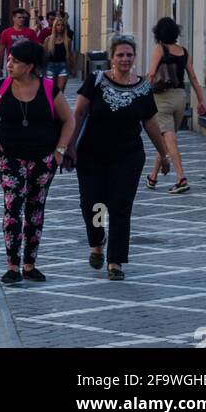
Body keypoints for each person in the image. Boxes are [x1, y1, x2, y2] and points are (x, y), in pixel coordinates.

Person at [68, 33, 170, 279]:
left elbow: (151, 124)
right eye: (120, 55)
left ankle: (115, 261)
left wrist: (164, 154)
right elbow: (79, 113)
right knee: (92, 203)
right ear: (112, 57)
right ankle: (97, 240)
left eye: (129, 55)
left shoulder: (143, 88)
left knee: (120, 206)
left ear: (135, 57)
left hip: (128, 156)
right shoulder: (96, 81)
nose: (125, 59)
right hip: (91, 154)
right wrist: (68, 146)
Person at [0, 39, 74, 284]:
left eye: (15, 61)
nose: (9, 64)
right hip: (10, 158)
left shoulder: (49, 90)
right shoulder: (1, 88)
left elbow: (69, 120)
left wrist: (60, 150)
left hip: (43, 158)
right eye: (9, 59)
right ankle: (11, 265)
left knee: (35, 210)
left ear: (29, 66)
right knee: (12, 208)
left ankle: (30, 264)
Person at [145, 17, 206, 194]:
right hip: (180, 97)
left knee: (169, 138)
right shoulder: (184, 51)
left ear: (158, 33)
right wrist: (201, 100)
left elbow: (150, 74)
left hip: (161, 98)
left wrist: (141, 95)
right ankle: (153, 177)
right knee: (166, 138)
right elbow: (193, 77)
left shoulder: (160, 49)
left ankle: (181, 179)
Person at [41, 14, 76, 94]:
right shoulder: (48, 40)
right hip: (50, 66)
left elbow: (70, 54)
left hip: (63, 66)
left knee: (59, 92)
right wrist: (42, 69)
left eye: (62, 25)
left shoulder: (67, 40)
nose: (60, 27)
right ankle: (51, 106)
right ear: (55, 26)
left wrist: (73, 68)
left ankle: (58, 106)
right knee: (50, 91)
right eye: (58, 25)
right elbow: (44, 55)